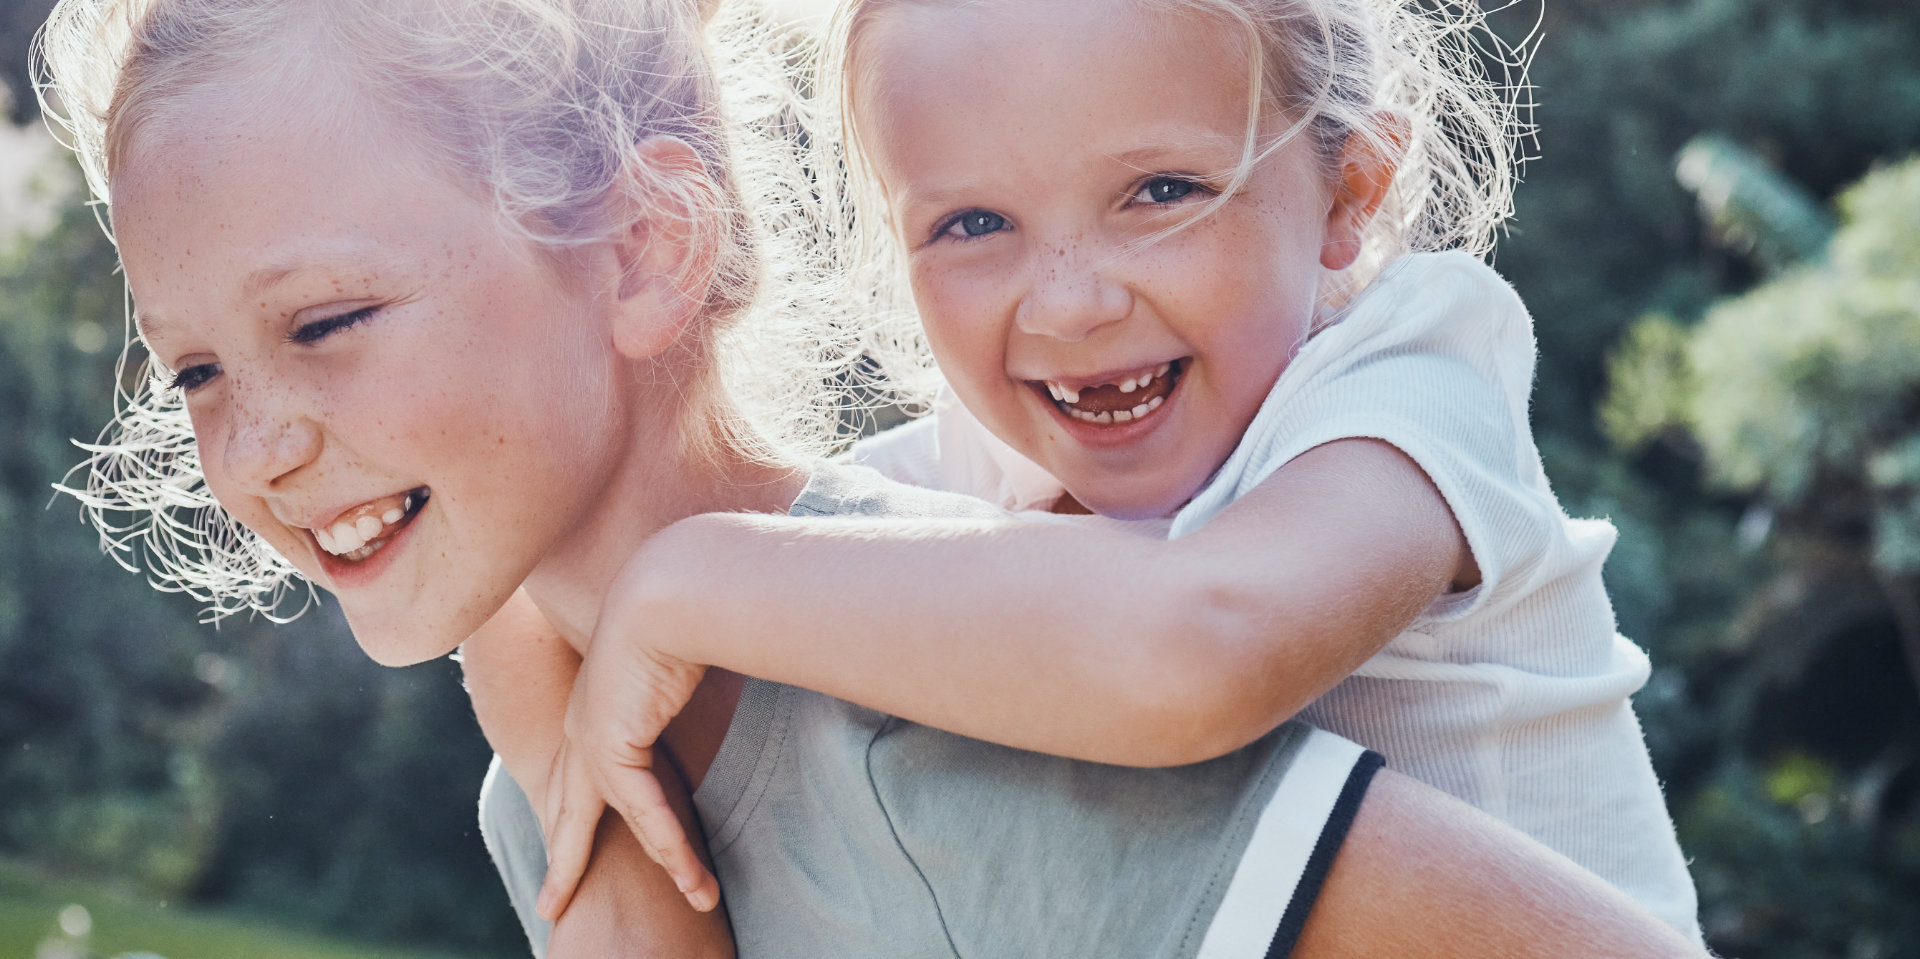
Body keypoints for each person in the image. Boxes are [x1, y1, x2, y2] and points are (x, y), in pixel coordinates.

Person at [36, 0, 1708, 955]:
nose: (248, 443)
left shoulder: (931, 701)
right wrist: (539, 689)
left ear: (647, 248)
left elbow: (1180, 647)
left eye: (326, 320)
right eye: (191, 367)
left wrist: (677, 592)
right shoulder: (591, 742)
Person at [532, 0, 1703, 943]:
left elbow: (1196, 654)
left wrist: (688, 584)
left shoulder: (1409, 381)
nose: (1072, 301)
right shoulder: (975, 460)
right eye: (974, 224)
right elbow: (645, 535)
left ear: (1348, 194)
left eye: (1162, 193)